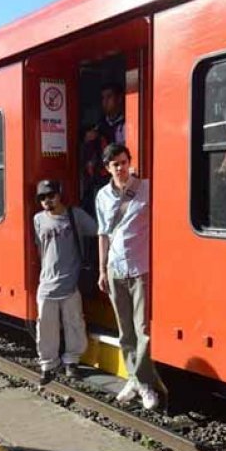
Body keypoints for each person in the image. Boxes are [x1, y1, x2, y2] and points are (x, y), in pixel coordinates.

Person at [95, 143, 160, 410]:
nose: (121, 168)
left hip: (140, 268)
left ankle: (145, 384)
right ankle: (133, 378)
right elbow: (103, 234)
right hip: (115, 269)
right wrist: (101, 269)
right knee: (125, 331)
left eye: (124, 162)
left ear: (129, 162)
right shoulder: (102, 196)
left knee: (142, 330)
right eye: (115, 164)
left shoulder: (146, 188)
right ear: (107, 168)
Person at [33, 179, 97, 384]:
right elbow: (39, 248)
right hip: (46, 284)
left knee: (74, 323)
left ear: (59, 194)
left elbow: (97, 230)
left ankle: (72, 361)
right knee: (45, 327)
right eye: (42, 197)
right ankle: (48, 364)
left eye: (50, 195)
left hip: (71, 282)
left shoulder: (75, 215)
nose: (47, 201)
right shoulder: (37, 219)